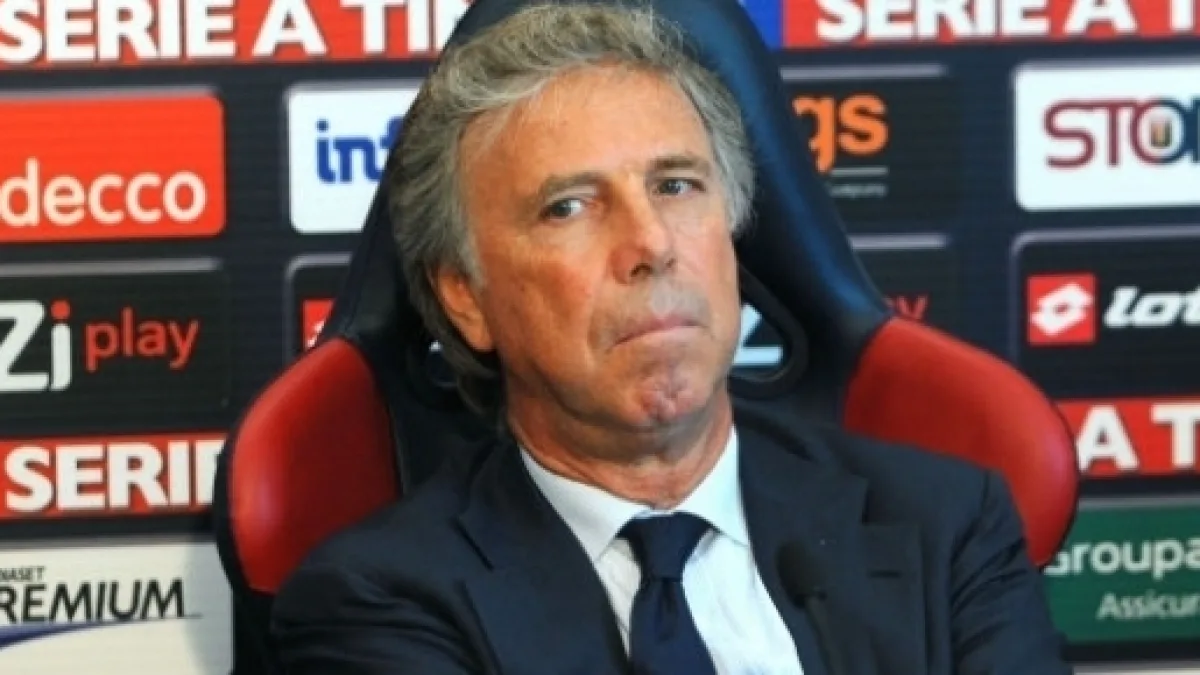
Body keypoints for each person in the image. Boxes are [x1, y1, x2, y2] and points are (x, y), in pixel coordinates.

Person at [271, 2, 1072, 674]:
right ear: (465, 297)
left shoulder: (945, 526)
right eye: (569, 206)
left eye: (677, 184)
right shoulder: (375, 600)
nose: (651, 242)